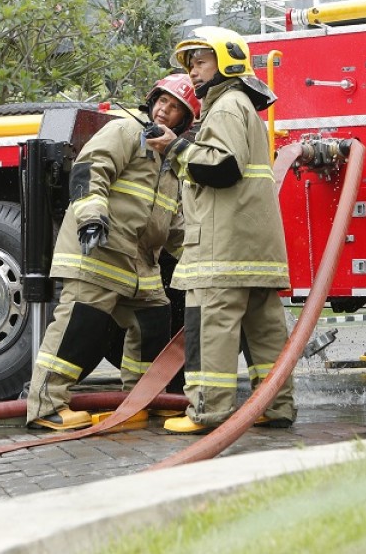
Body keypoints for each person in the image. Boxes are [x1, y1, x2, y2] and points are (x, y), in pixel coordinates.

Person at [26, 74, 199, 431]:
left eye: (175, 108)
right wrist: (91, 217)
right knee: (79, 326)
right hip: (99, 251)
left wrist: (200, 256)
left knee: (153, 322)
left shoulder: (171, 165)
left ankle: (143, 398)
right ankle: (44, 405)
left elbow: (173, 223)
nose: (165, 111)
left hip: (139, 266)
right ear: (151, 101)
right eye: (162, 101)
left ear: (184, 121)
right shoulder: (124, 132)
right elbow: (91, 170)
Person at [146, 26, 295, 434]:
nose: (194, 73)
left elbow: (221, 168)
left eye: (200, 62)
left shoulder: (227, 106)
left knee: (210, 328)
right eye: (190, 65)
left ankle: (207, 412)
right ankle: (275, 405)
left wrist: (174, 147)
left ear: (227, 60)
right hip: (253, 249)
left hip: (222, 250)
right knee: (264, 333)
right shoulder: (242, 106)